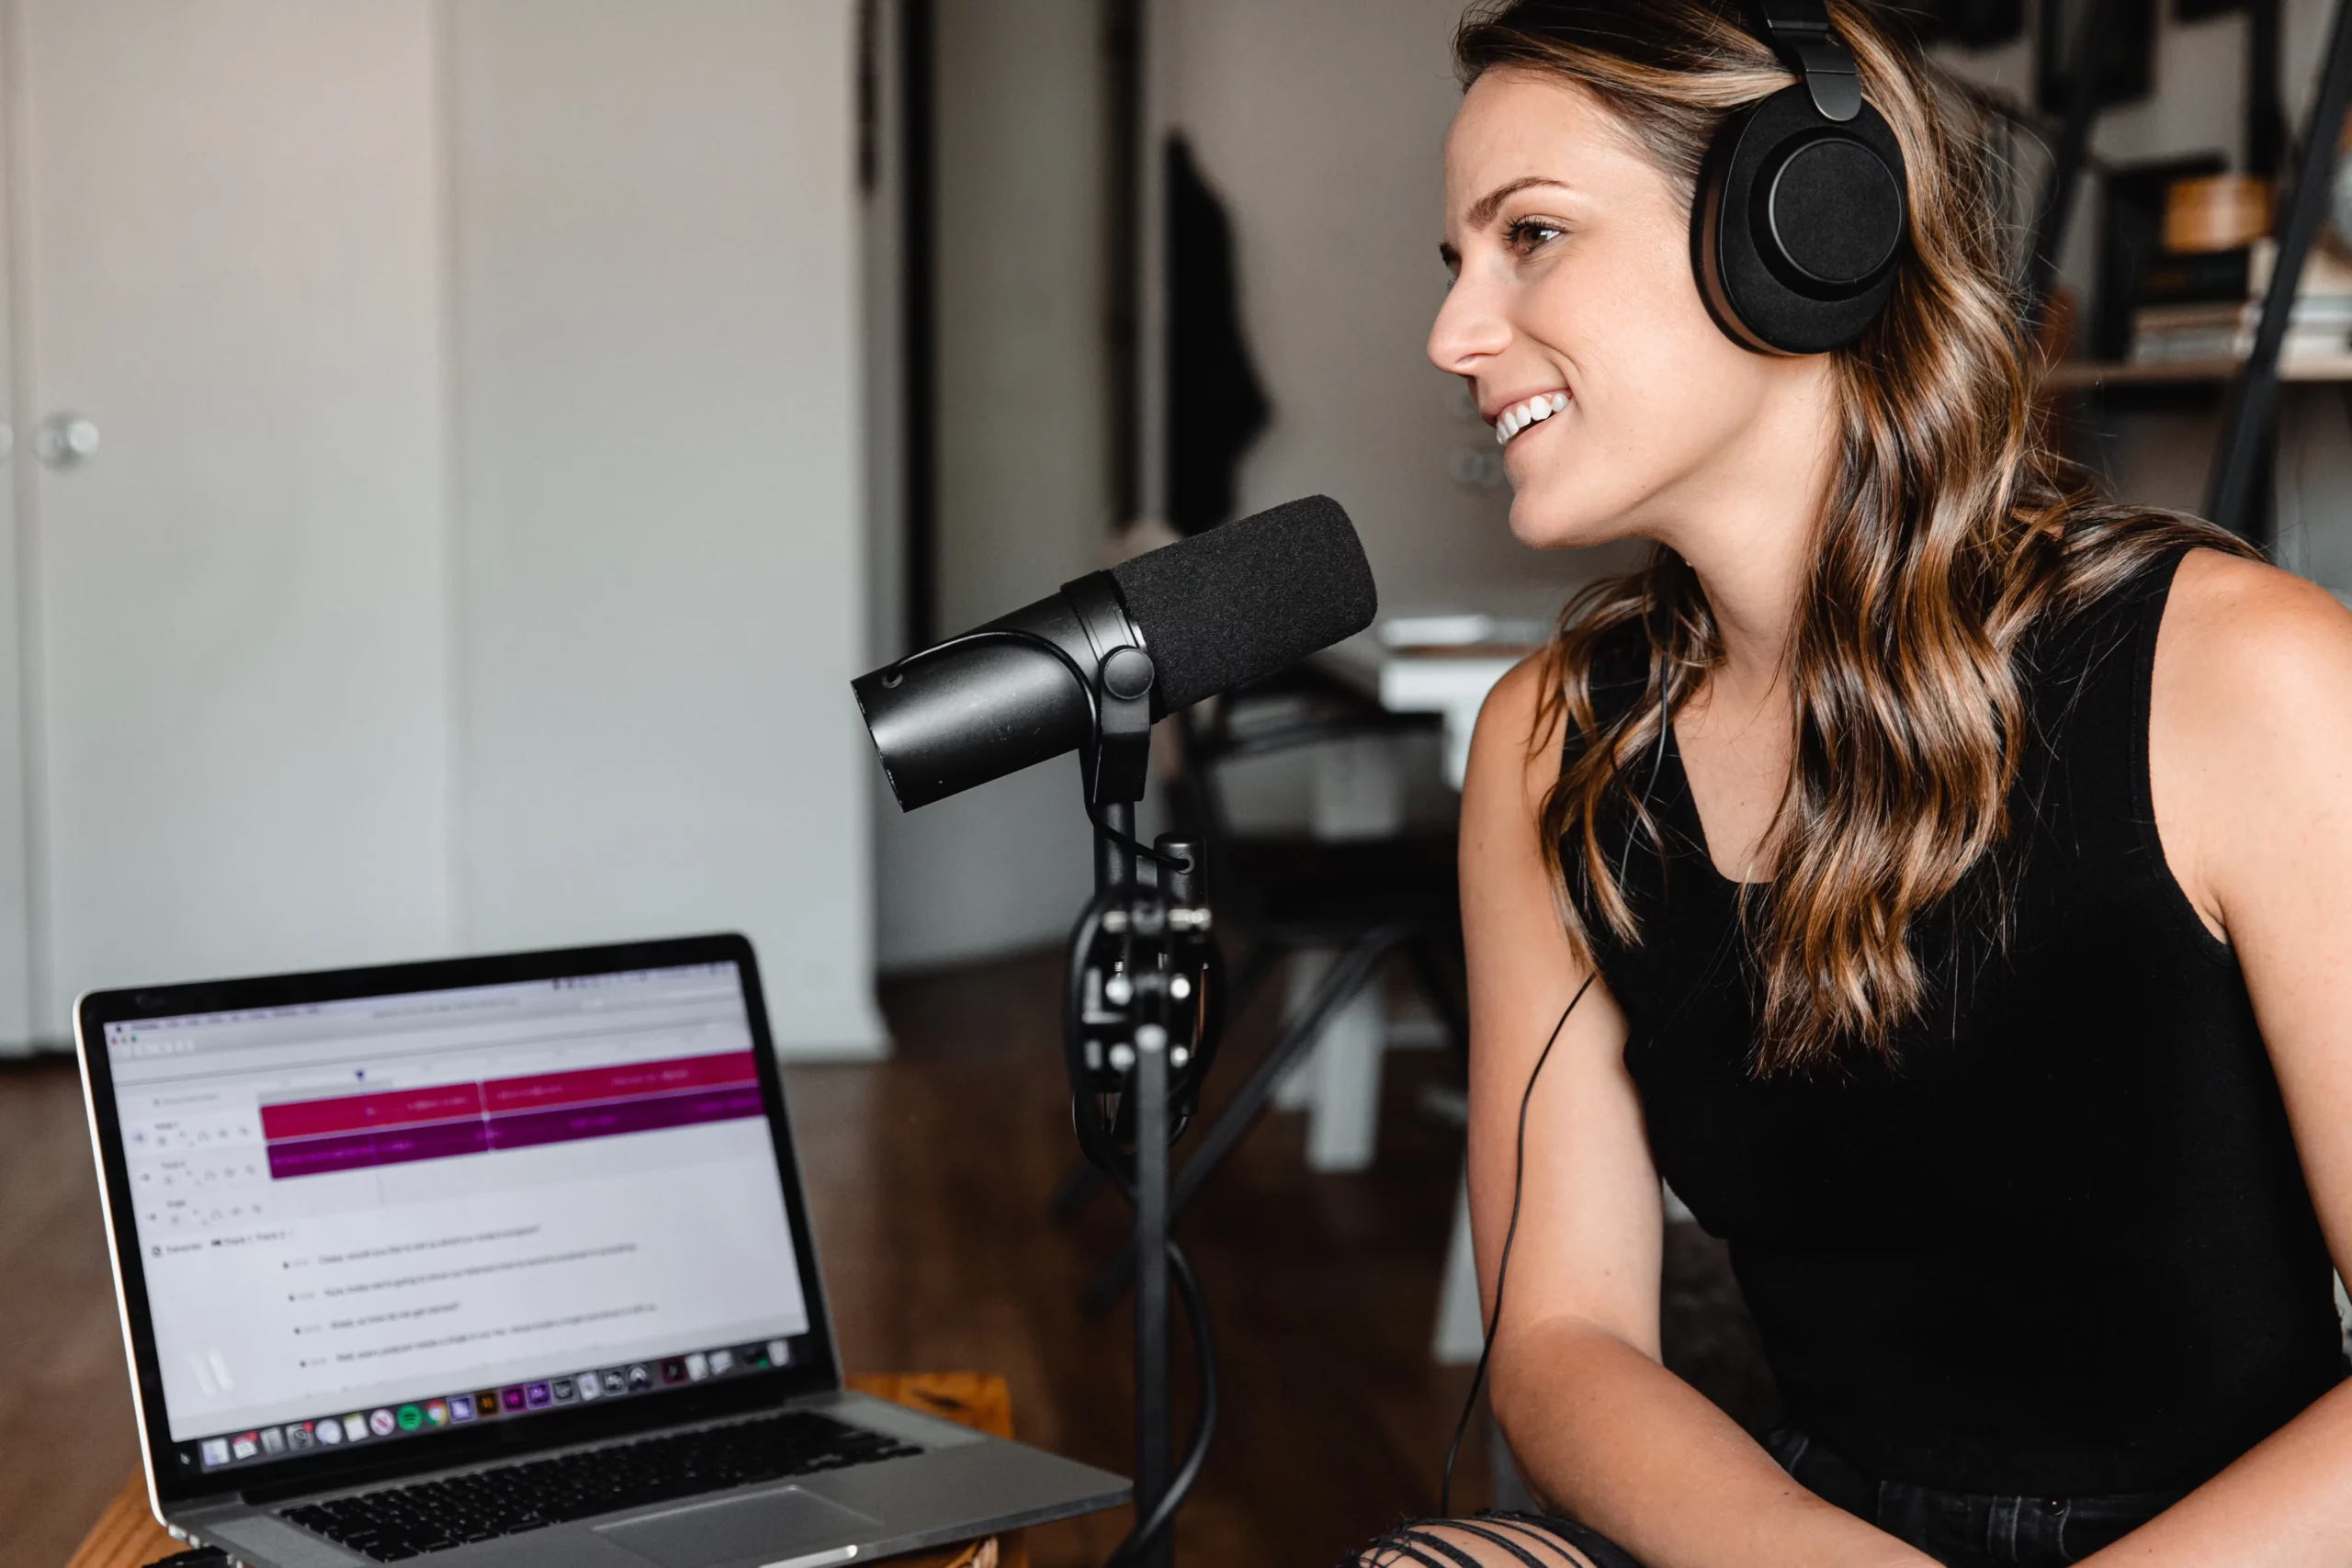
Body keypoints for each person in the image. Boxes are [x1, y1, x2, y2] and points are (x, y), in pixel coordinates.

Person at [1359, 2, 2352, 1564]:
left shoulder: (2241, 677)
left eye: (1532, 236)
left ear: (1803, 227)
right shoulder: (1552, 745)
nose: (1454, 333)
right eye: (1456, 262)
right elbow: (1560, 1335)